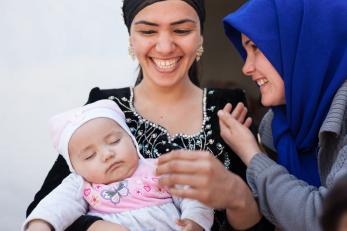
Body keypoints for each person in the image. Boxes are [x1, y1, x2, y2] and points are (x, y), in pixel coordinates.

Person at [26, 0, 273, 230]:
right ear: (131, 39)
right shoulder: (104, 109)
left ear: (200, 37)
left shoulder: (228, 109)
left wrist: (238, 195)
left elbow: (262, 222)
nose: (165, 47)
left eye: (182, 30)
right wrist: (93, 226)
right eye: (148, 32)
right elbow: (45, 209)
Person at [200, 0, 347, 230]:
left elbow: (324, 220)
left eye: (256, 47)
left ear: (304, 46)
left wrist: (252, 155)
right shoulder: (278, 126)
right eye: (245, 51)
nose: (246, 68)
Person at [24, 99, 213, 231]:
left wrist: (194, 220)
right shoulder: (79, 184)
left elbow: (194, 195)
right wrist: (40, 224)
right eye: (90, 156)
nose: (107, 155)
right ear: (75, 168)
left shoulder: (159, 168)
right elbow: (55, 205)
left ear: (132, 140)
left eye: (114, 141)